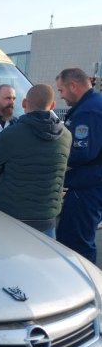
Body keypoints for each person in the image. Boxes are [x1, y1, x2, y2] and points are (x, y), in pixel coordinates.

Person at [0, 84, 71, 237]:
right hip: (48, 217)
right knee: (42, 260)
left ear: (24, 103)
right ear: (52, 105)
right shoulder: (66, 136)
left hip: (12, 216)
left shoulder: (10, 134)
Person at [55, 68, 102, 262]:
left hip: (86, 188)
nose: (61, 96)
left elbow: (82, 152)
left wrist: (54, 157)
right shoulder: (94, 104)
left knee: (76, 243)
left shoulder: (88, 111)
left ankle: (87, 287)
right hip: (90, 184)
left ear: (73, 86)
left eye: (61, 90)